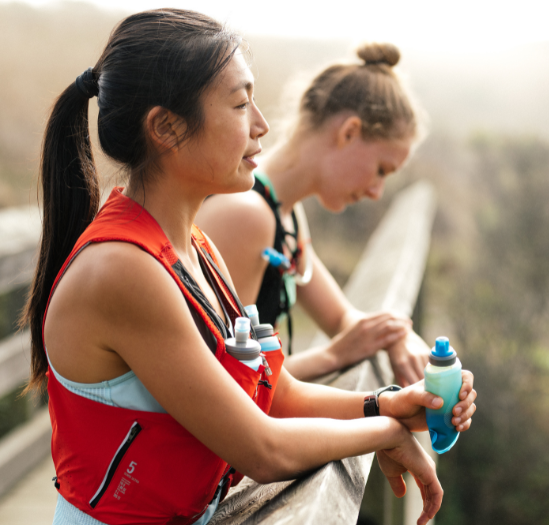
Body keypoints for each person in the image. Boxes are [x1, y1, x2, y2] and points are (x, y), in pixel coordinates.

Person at [22, 10, 476, 525]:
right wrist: (387, 433)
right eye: (240, 104)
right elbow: (262, 449)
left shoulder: (195, 246)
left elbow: (275, 394)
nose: (261, 124)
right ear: (166, 127)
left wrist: (388, 403)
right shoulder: (122, 270)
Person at [196, 43, 430, 385]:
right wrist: (333, 357)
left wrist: (400, 337)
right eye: (381, 169)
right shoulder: (246, 213)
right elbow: (226, 378)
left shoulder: (285, 213)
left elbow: (343, 320)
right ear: (348, 133)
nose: (376, 192)